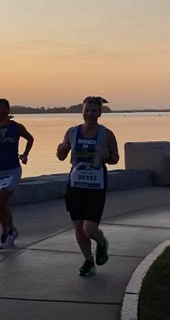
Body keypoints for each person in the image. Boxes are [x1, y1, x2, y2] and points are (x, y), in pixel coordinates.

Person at [56, 96, 119, 276]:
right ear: (82, 111)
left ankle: (101, 242)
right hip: (75, 185)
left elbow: (115, 159)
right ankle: (88, 261)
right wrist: (60, 150)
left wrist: (106, 156)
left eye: (93, 110)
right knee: (78, 228)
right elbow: (62, 156)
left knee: (89, 228)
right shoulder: (72, 132)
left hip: (96, 186)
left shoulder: (106, 134)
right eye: (86, 110)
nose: (89, 114)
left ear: (99, 113)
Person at [0, 98, 34, 250]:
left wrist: (25, 154)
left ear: (8, 111)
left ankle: (5, 233)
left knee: (0, 201)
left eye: (3, 109)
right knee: (2, 205)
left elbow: (30, 138)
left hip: (12, 169)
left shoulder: (16, 127)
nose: (0, 111)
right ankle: (12, 230)